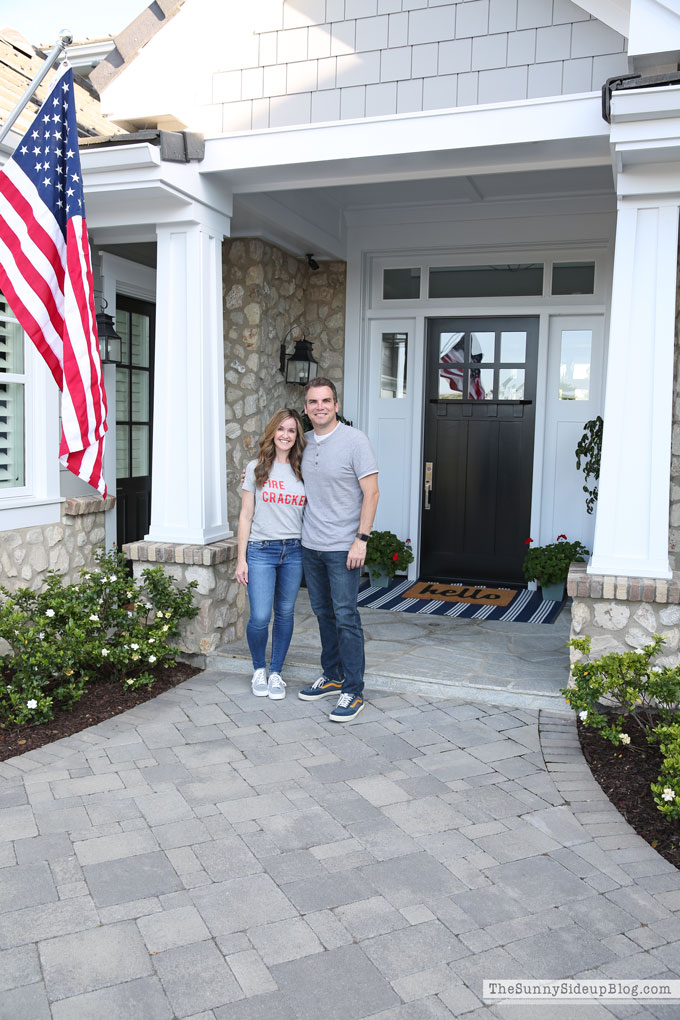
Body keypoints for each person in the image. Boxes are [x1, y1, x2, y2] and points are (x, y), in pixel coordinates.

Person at [297, 378, 379, 722]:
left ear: (336, 405)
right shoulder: (305, 443)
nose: (320, 407)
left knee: (346, 616)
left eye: (326, 401)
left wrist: (361, 538)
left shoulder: (354, 440)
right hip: (310, 545)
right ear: (306, 408)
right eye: (313, 402)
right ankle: (332, 675)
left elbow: (372, 493)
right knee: (323, 613)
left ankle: (353, 691)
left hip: (343, 547)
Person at [236, 409, 306, 700]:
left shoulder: (305, 469)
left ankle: (276, 672)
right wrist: (241, 558)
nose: (286, 435)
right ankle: (258, 669)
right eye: (281, 429)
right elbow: (245, 516)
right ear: (272, 432)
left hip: (294, 551)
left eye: (291, 431)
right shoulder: (255, 468)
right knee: (261, 616)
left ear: (297, 436)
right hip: (261, 551)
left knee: (286, 613)